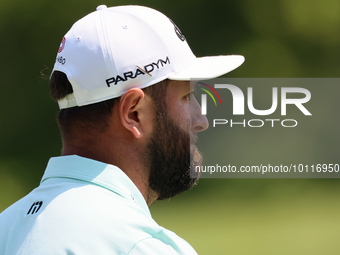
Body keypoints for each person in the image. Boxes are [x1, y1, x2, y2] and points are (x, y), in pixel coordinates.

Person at [0, 5, 244, 254]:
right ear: (133, 113)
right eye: (186, 97)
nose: (201, 119)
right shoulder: (143, 247)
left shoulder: (5, 229)